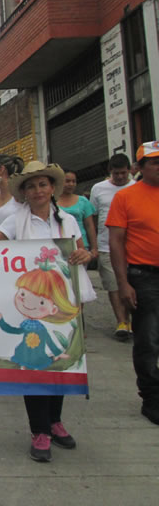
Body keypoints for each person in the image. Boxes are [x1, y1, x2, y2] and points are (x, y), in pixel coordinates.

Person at [0, 161, 92, 462]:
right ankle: (39, 430)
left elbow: (83, 250)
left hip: (63, 301)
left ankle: (54, 420)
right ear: (24, 191)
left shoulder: (67, 221)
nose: (38, 191)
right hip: (31, 305)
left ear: (52, 188)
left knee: (59, 361)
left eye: (43, 185)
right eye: (32, 186)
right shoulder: (14, 220)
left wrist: (85, 254)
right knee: (35, 365)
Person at [107, 141, 159, 425]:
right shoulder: (126, 198)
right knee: (148, 340)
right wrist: (123, 283)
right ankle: (152, 398)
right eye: (155, 162)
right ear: (139, 168)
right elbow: (116, 241)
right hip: (144, 277)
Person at [90, 153, 135, 340]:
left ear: (130, 171)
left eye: (123, 173)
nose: (120, 177)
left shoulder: (136, 187)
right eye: (116, 173)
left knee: (134, 284)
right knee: (113, 285)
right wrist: (92, 244)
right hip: (106, 245)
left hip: (133, 246)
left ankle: (135, 320)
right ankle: (121, 322)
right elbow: (92, 216)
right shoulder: (98, 189)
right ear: (110, 172)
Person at [57, 170, 97, 256]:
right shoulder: (52, 201)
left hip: (81, 246)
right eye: (67, 181)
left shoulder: (83, 201)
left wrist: (94, 248)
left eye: (73, 181)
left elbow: (89, 226)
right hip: (59, 244)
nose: (71, 184)